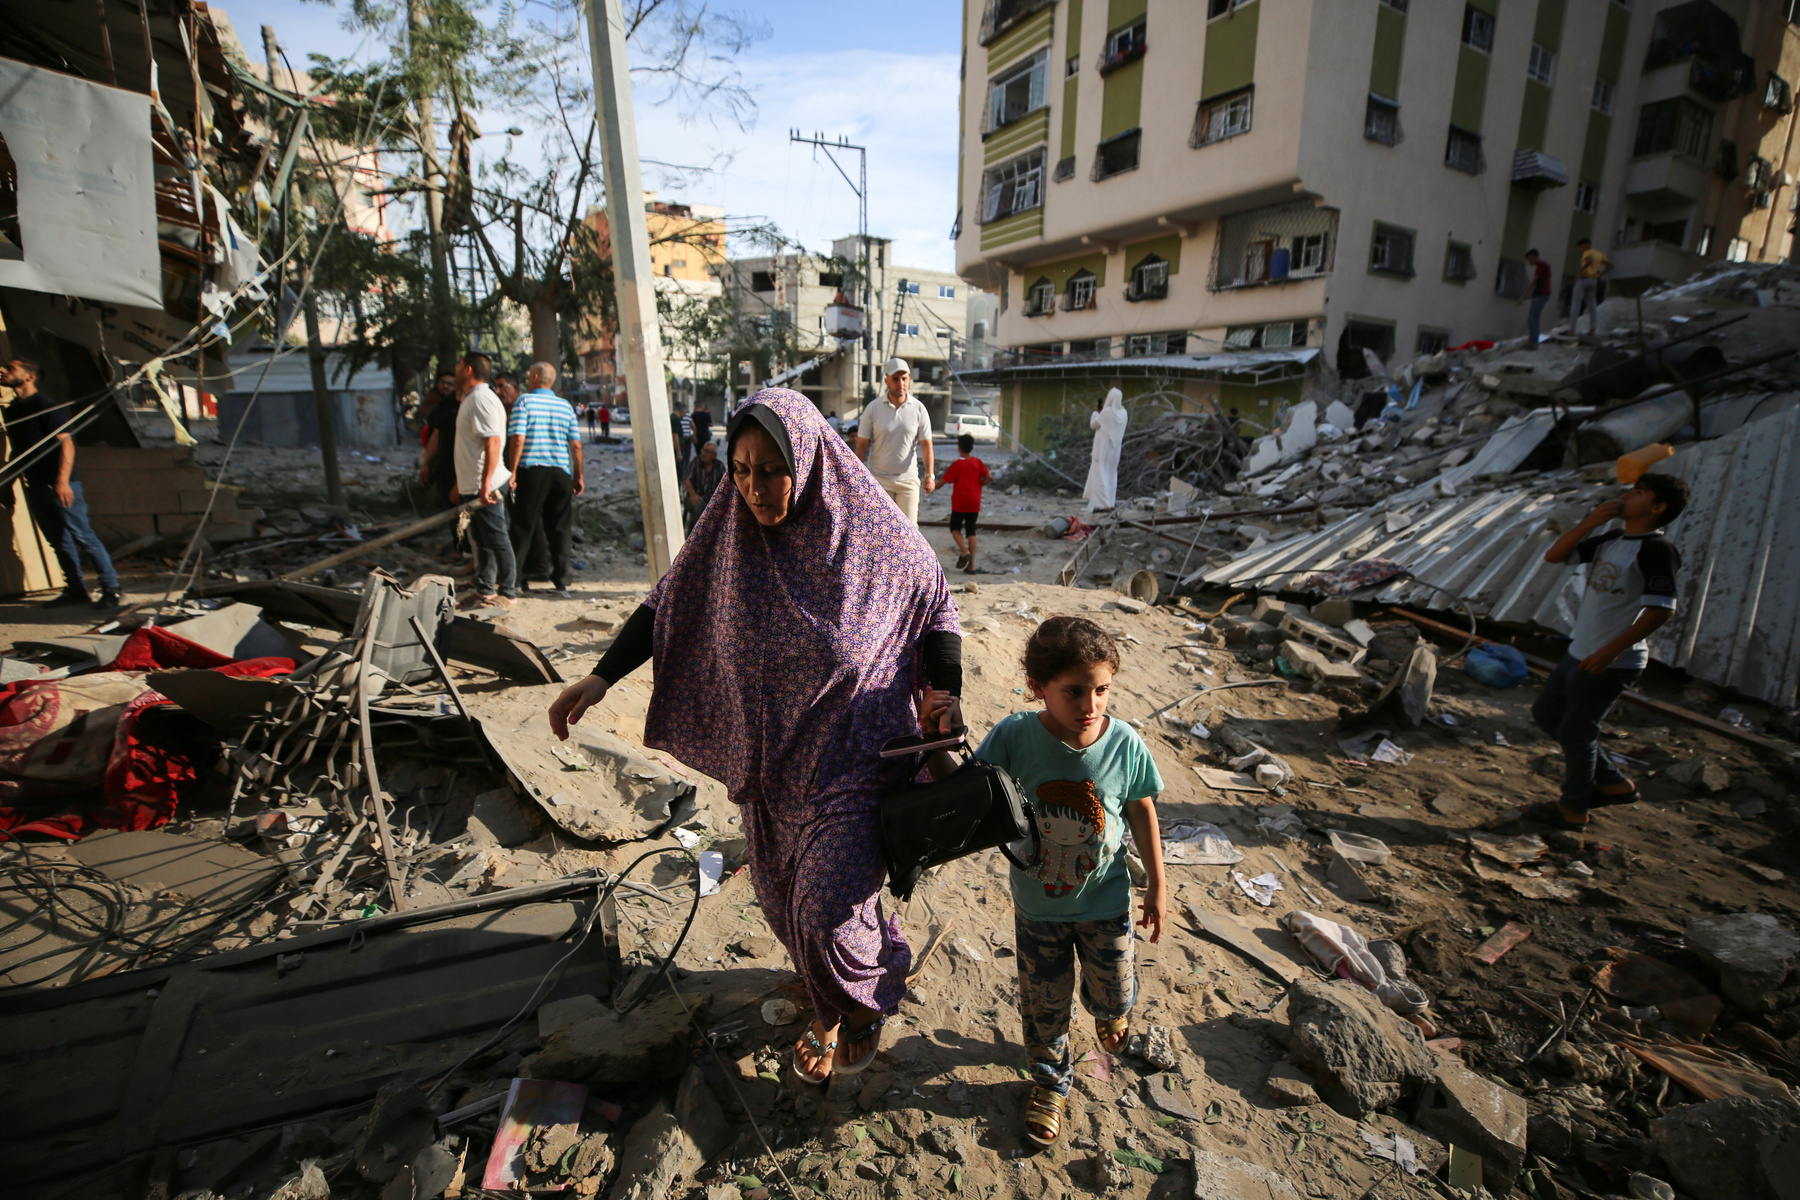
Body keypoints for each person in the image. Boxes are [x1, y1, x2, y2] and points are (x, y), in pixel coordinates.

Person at [545, 389, 963, 1085]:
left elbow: (937, 602)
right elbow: (666, 604)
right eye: (739, 469)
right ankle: (836, 990)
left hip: (854, 762)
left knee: (825, 910)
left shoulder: (874, 535)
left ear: (808, 460)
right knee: (777, 900)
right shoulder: (728, 535)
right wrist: (600, 678)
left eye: (771, 469)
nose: (754, 487)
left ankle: (856, 1009)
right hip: (772, 766)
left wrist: (941, 694)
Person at [924, 616, 1164, 1147]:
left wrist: (1157, 887)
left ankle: (1110, 1012)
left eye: (1102, 690)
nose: (1091, 705)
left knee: (1113, 990)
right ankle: (1051, 1084)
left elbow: (1143, 810)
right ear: (1039, 688)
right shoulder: (1014, 736)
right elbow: (966, 791)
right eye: (1074, 691)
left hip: (1108, 905)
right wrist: (933, 742)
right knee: (1044, 1006)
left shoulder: (1124, 743)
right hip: (1039, 910)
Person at [1526, 474, 1689, 831]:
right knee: (1548, 712)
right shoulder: (1614, 538)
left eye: (1638, 493)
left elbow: (1662, 609)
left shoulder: (1656, 550)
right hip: (1579, 650)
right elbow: (1555, 555)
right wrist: (1591, 522)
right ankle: (1614, 784)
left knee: (1578, 732)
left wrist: (1612, 651)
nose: (1627, 496)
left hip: (1610, 660)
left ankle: (1572, 809)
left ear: (1657, 508)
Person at [0, 358, 122, 608]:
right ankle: (76, 590)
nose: (3, 371)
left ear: (30, 376)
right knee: (58, 541)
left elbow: (66, 443)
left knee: (83, 536)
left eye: (11, 368)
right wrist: (9, 482)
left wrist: (63, 481)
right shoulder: (12, 410)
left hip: (60, 485)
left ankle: (112, 589)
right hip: (34, 484)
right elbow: (19, 452)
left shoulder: (46, 406)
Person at [506, 363, 583, 597]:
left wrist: (512, 471)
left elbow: (518, 438)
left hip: (533, 470)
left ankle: (517, 579)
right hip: (561, 473)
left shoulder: (524, 402)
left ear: (536, 377)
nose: (528, 379)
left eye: (529, 375)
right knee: (559, 528)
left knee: (523, 526)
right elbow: (576, 444)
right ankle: (561, 580)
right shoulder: (565, 406)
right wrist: (578, 474)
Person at [449, 352, 516, 608]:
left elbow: (493, 442)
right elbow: (470, 447)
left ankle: (508, 592)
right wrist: (461, 483)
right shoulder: (472, 398)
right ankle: (486, 588)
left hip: (485, 485)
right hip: (474, 484)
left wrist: (486, 483)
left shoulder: (482, 398)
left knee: (497, 539)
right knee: (481, 541)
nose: (455, 369)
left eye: (457, 365)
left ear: (467, 369)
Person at [855, 357, 936, 522]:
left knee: (910, 532)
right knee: (880, 530)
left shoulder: (919, 409)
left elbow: (926, 445)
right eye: (896, 379)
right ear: (886, 380)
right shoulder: (873, 409)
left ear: (909, 380)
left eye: (904, 378)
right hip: (879, 480)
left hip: (908, 481)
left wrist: (930, 475)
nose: (901, 383)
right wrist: (856, 476)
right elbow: (862, 445)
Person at [420, 368, 464, 560]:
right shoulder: (444, 405)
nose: (446, 387)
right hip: (445, 466)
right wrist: (427, 464)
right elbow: (435, 434)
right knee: (451, 510)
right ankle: (459, 548)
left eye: (450, 383)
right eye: (443, 383)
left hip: (465, 468)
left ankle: (467, 552)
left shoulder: (471, 403)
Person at [940, 432, 991, 575]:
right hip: (974, 502)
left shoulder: (957, 464)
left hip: (959, 502)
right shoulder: (978, 462)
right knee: (971, 531)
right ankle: (971, 566)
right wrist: (980, 484)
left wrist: (931, 487)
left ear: (959, 448)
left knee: (955, 528)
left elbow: (943, 481)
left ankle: (965, 551)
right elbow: (989, 477)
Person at [1083, 388, 1127, 512]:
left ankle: (1102, 504)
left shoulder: (1107, 412)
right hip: (1115, 449)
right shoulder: (1123, 413)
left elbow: (1093, 424)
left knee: (1101, 473)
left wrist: (1096, 412)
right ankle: (1110, 502)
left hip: (1103, 448)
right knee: (1111, 474)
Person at [681, 439, 725, 532]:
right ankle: (699, 534)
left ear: (714, 455)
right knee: (698, 505)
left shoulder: (719, 466)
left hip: (711, 498)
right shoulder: (696, 461)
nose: (703, 454)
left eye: (707, 452)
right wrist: (693, 494)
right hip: (695, 497)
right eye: (703, 450)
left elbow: (725, 484)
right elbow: (686, 479)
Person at [1571, 237, 1611, 338]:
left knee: (1576, 304)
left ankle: (1571, 330)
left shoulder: (1588, 252)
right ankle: (1592, 329)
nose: (1579, 250)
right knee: (1592, 305)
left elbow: (1589, 261)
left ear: (1585, 246)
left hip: (1583, 279)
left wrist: (1581, 271)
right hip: (1593, 280)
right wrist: (1600, 274)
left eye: (1579, 247)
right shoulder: (1599, 253)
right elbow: (1610, 265)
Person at [1517, 249, 1552, 349]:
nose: (1530, 262)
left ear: (1536, 257)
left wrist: (1523, 296)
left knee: (1533, 318)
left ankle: (1534, 343)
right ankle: (1533, 341)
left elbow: (1534, 282)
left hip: (1541, 294)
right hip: (1540, 294)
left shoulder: (1541, 265)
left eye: (1531, 259)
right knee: (1533, 318)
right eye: (1528, 260)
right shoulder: (1542, 265)